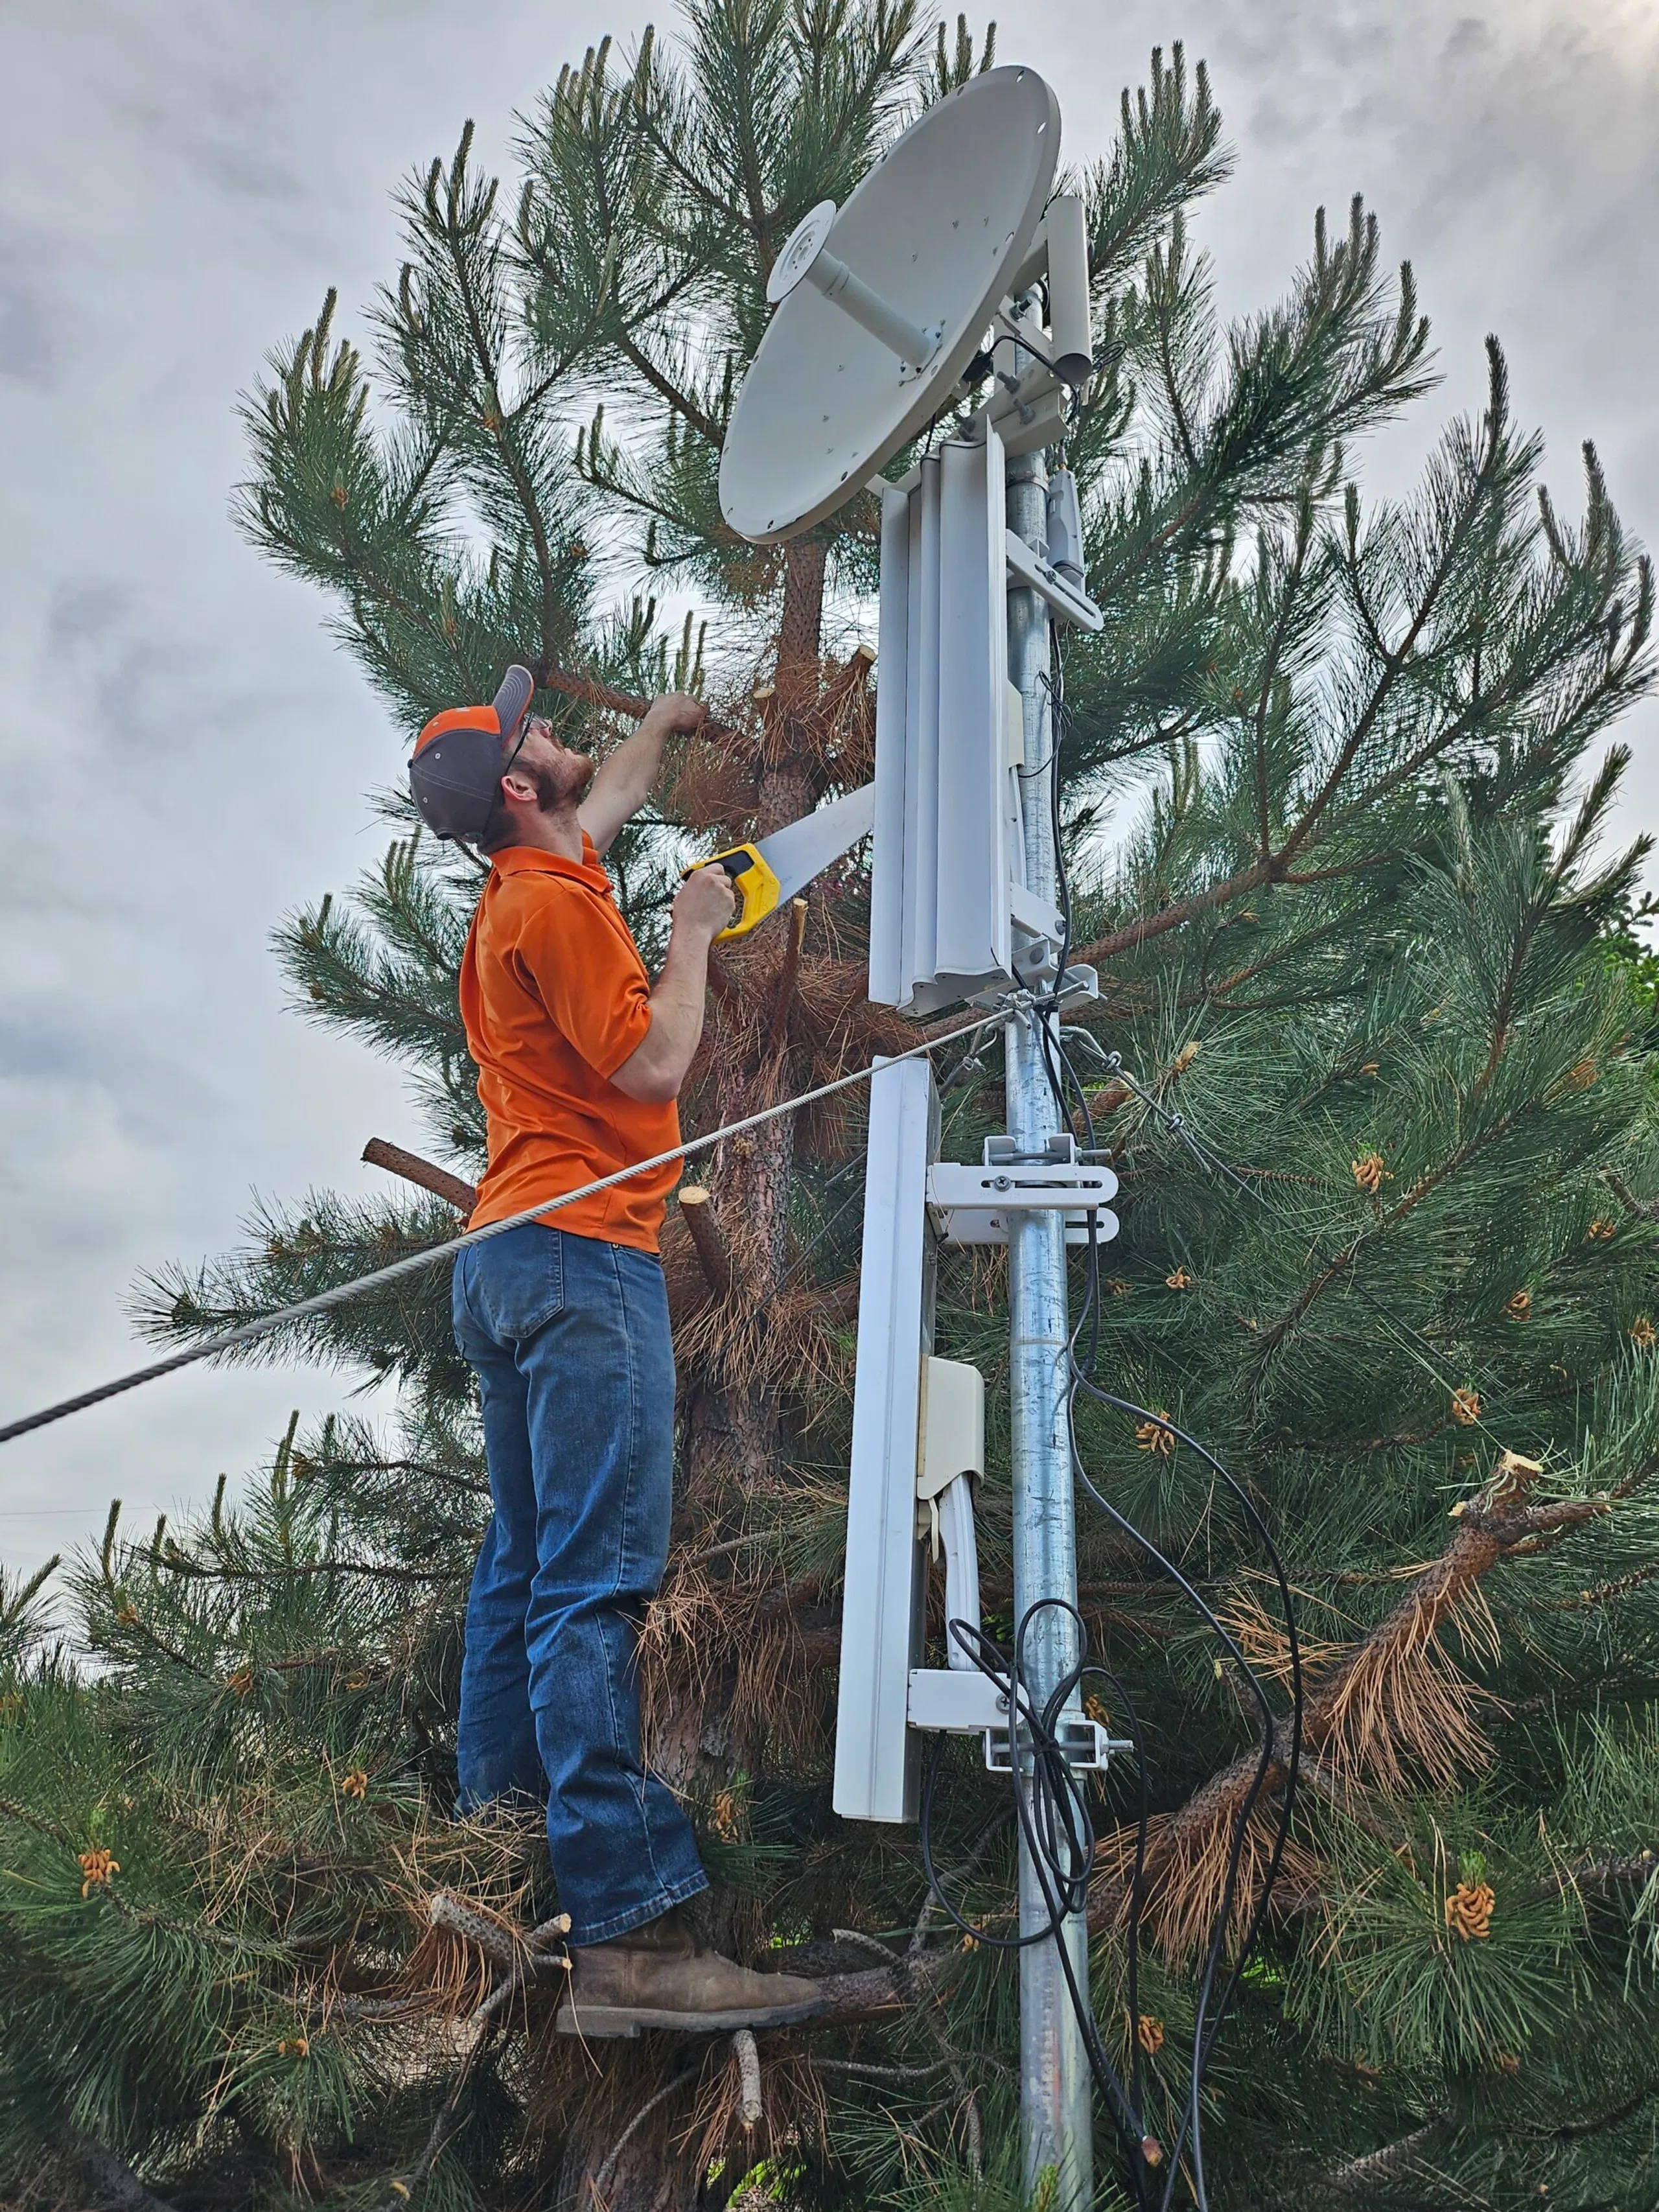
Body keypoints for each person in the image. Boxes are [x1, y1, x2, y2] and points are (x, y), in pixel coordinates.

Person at [408, 667, 822, 2036]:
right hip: (584, 1260)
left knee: (521, 1566)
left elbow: (609, 803)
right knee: (593, 1584)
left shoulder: (532, 882)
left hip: (506, 1259)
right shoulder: (549, 908)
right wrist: (697, 928)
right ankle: (632, 1934)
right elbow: (652, 1068)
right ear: (519, 786)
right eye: (532, 728)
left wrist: (662, 724)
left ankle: (504, 1855)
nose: (548, 727)